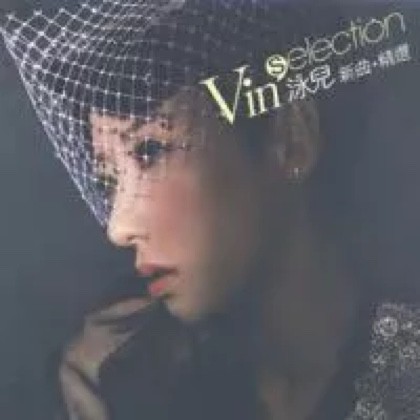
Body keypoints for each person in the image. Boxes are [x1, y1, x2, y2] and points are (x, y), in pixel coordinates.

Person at [2, 1, 419, 419]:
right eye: (109, 180)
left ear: (291, 139)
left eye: (150, 150)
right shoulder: (140, 382)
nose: (118, 226)